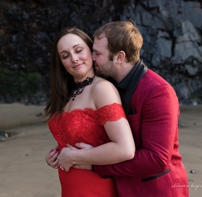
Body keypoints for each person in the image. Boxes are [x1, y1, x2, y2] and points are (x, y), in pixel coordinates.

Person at [54, 21, 189, 197]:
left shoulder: (158, 92)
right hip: (120, 188)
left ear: (119, 57)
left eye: (97, 54)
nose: (91, 58)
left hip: (156, 191)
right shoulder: (110, 83)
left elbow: (156, 160)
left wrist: (93, 165)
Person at [43, 28, 134, 196]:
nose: (74, 59)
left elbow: (125, 149)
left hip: (96, 187)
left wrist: (74, 157)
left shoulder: (102, 89)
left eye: (78, 50)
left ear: (92, 52)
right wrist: (57, 155)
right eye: (65, 55)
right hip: (69, 189)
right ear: (61, 63)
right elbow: (77, 138)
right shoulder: (66, 94)